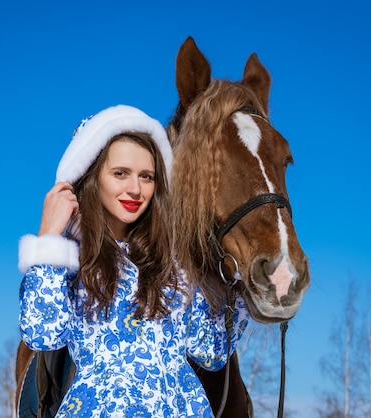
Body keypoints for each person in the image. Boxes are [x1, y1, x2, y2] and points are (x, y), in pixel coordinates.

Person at [18, 104, 249, 417]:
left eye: (147, 177)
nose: (136, 189)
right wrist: (48, 238)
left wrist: (242, 280)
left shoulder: (175, 266)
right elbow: (41, 332)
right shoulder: (70, 261)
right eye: (120, 174)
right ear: (92, 176)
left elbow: (210, 352)